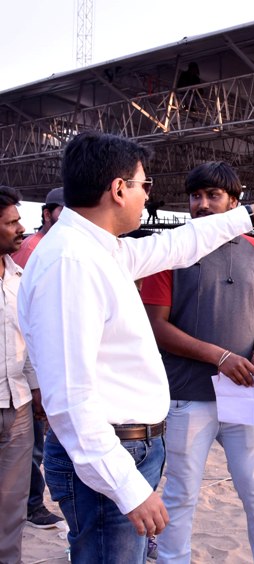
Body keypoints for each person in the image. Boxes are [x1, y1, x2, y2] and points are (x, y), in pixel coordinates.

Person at [17, 131, 254, 563]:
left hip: (127, 447)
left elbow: (175, 244)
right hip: (113, 452)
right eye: (144, 185)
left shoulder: (96, 249)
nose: (147, 196)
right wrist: (127, 487)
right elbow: (70, 399)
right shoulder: (70, 263)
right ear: (119, 189)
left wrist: (249, 214)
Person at [141, 161, 254, 563]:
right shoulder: (171, 249)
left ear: (235, 203)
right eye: (195, 196)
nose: (202, 204)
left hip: (245, 391)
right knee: (181, 493)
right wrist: (219, 356)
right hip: (188, 396)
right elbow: (157, 326)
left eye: (213, 195)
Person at [11, 187, 66, 530]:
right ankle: (32, 504)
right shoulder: (35, 249)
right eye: (63, 211)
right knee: (32, 447)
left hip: (30, 368)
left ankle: (30, 504)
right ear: (47, 214)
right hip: (23, 368)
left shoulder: (49, 247)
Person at [0, 185, 42, 563]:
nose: (21, 228)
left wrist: (37, 393)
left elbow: (25, 342)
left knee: (12, 505)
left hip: (19, 409)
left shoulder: (19, 278)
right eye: (11, 222)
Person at [12, 187, 64, 268]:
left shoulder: (61, 244)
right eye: (64, 211)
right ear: (47, 215)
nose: (70, 216)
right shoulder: (31, 248)